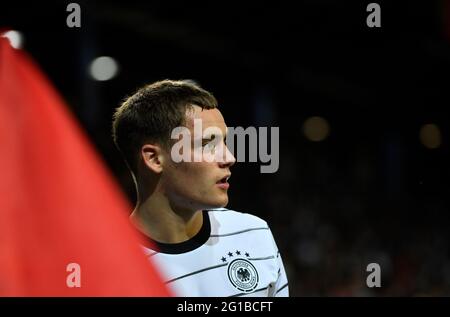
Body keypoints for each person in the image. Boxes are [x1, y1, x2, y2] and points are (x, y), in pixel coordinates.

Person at [112, 79, 288, 296]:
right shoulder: (106, 268)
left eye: (224, 142)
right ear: (155, 159)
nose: (229, 158)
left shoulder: (254, 234)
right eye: (207, 144)